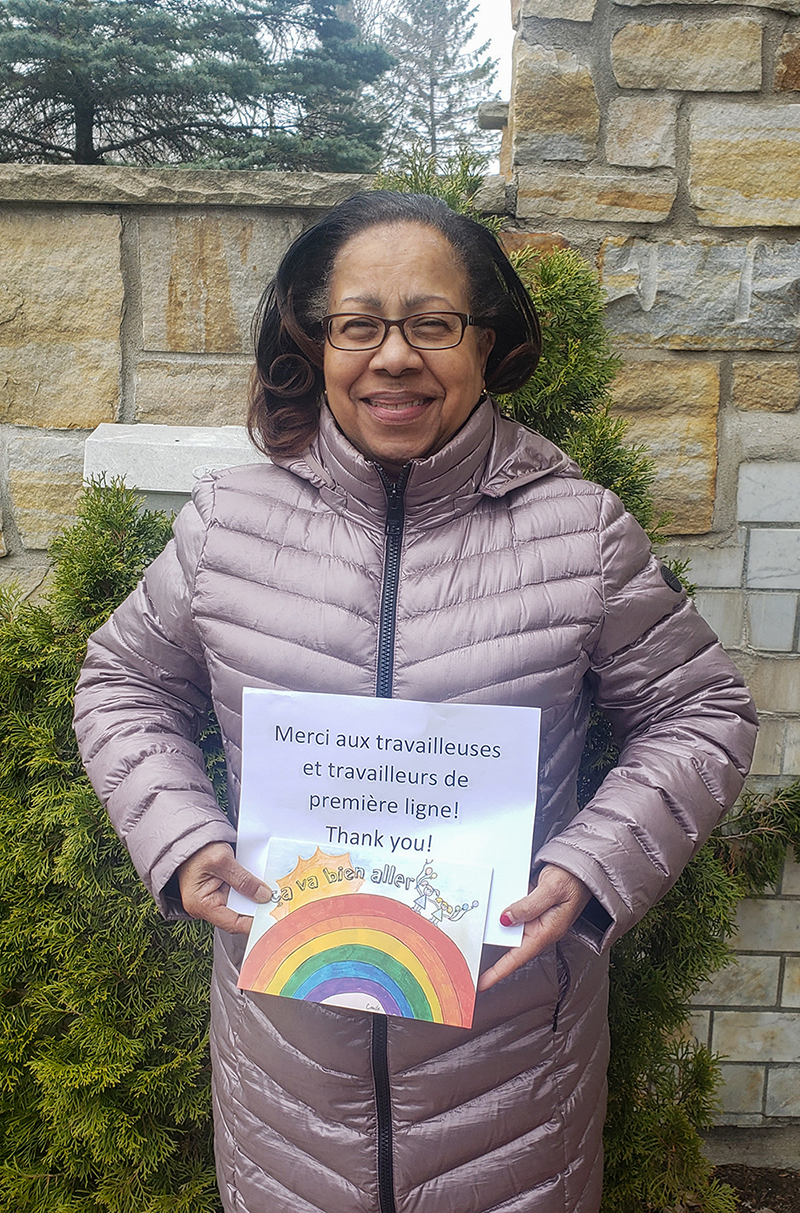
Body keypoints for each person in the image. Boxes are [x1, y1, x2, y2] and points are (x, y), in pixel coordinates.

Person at [73, 191, 757, 1213]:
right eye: (358, 325)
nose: (393, 357)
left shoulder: (580, 533)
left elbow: (700, 712)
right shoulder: (228, 523)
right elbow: (123, 683)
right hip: (285, 1080)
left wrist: (591, 864)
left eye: (432, 323)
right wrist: (180, 835)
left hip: (513, 1075)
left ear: (488, 343)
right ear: (315, 345)